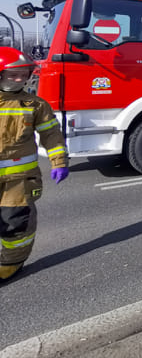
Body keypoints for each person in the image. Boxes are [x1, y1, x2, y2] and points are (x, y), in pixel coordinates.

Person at [0, 47, 69, 281]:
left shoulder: (35, 104)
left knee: (16, 224)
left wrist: (59, 161)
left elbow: (52, 135)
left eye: (24, 74)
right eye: (13, 75)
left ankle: (11, 264)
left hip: (19, 182)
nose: (20, 79)